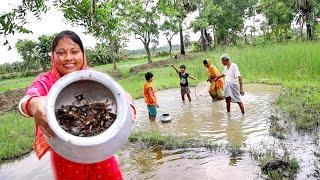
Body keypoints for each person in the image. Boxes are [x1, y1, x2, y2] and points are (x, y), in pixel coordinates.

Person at [17, 30, 136, 180]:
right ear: (52, 56)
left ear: (83, 54)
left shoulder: (93, 76)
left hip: (100, 149)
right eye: (61, 53)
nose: (68, 58)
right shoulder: (45, 81)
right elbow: (25, 102)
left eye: (74, 51)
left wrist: (129, 105)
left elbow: (123, 95)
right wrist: (32, 104)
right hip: (66, 153)